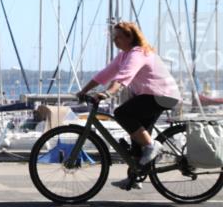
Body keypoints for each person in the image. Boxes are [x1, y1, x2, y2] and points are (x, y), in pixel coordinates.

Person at [76, 21, 181, 189]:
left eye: (118, 37)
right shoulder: (124, 55)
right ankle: (134, 176)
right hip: (152, 96)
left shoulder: (138, 53)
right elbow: (105, 74)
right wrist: (84, 90)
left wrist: (108, 92)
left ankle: (152, 145)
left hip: (161, 96)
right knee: (137, 135)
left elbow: (124, 76)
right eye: (113, 37)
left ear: (130, 37)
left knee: (122, 114)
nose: (114, 41)